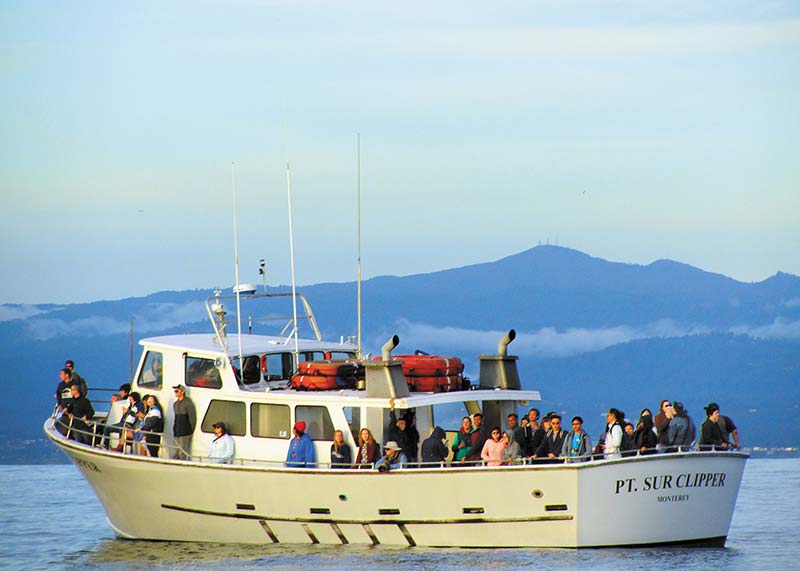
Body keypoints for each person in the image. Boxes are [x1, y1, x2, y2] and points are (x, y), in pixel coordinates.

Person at [386, 399, 418, 463]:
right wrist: (392, 408)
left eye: (404, 424)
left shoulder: (406, 433)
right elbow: (393, 420)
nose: (403, 425)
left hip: (407, 456)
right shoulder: (394, 431)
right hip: (396, 457)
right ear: (397, 424)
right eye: (401, 424)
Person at [101, 383, 132, 448]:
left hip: (126, 424)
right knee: (101, 427)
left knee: (106, 428)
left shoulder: (128, 405)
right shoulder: (127, 404)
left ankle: (107, 445)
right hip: (123, 423)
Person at [172, 385, 196, 460]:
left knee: (182, 452)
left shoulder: (188, 403)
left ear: (183, 392)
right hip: (177, 431)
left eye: (177, 391)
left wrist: (190, 430)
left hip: (185, 431)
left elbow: (192, 417)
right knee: (176, 450)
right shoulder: (175, 404)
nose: (175, 393)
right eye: (175, 391)